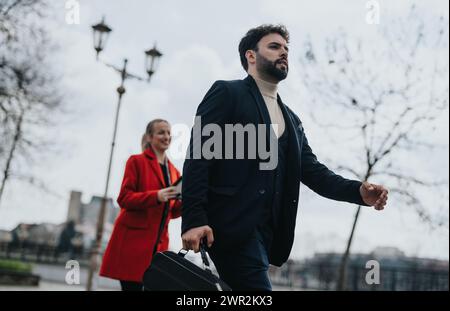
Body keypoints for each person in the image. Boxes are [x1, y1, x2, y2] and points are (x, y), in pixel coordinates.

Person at [181, 25, 389, 291]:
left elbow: (315, 173)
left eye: (286, 49)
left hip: (266, 239)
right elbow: (198, 157)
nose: (284, 53)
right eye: (274, 46)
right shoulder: (227, 93)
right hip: (227, 229)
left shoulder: (293, 121)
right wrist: (194, 220)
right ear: (251, 56)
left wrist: (359, 192)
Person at [100, 119, 182, 291]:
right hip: (133, 245)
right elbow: (124, 198)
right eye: (161, 132)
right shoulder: (136, 161)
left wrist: (183, 203)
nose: (166, 136)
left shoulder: (175, 171)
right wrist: (156, 196)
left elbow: (171, 212)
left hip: (158, 247)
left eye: (168, 133)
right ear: (150, 137)